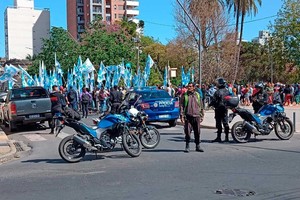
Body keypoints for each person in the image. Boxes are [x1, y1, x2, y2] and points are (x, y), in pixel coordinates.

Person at [180, 82, 205, 153]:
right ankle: (187, 146)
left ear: (194, 87)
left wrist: (202, 115)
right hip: (188, 116)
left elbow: (201, 105)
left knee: (197, 132)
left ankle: (198, 146)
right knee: (187, 132)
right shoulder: (184, 95)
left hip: (196, 116)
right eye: (188, 86)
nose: (189, 87)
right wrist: (181, 116)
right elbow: (181, 106)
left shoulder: (197, 95)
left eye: (190, 86)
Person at [209, 78, 230, 143]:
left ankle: (219, 137)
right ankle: (226, 137)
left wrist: (210, 105)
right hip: (225, 109)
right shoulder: (227, 91)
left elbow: (214, 100)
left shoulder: (217, 92)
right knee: (225, 123)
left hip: (218, 109)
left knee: (219, 123)